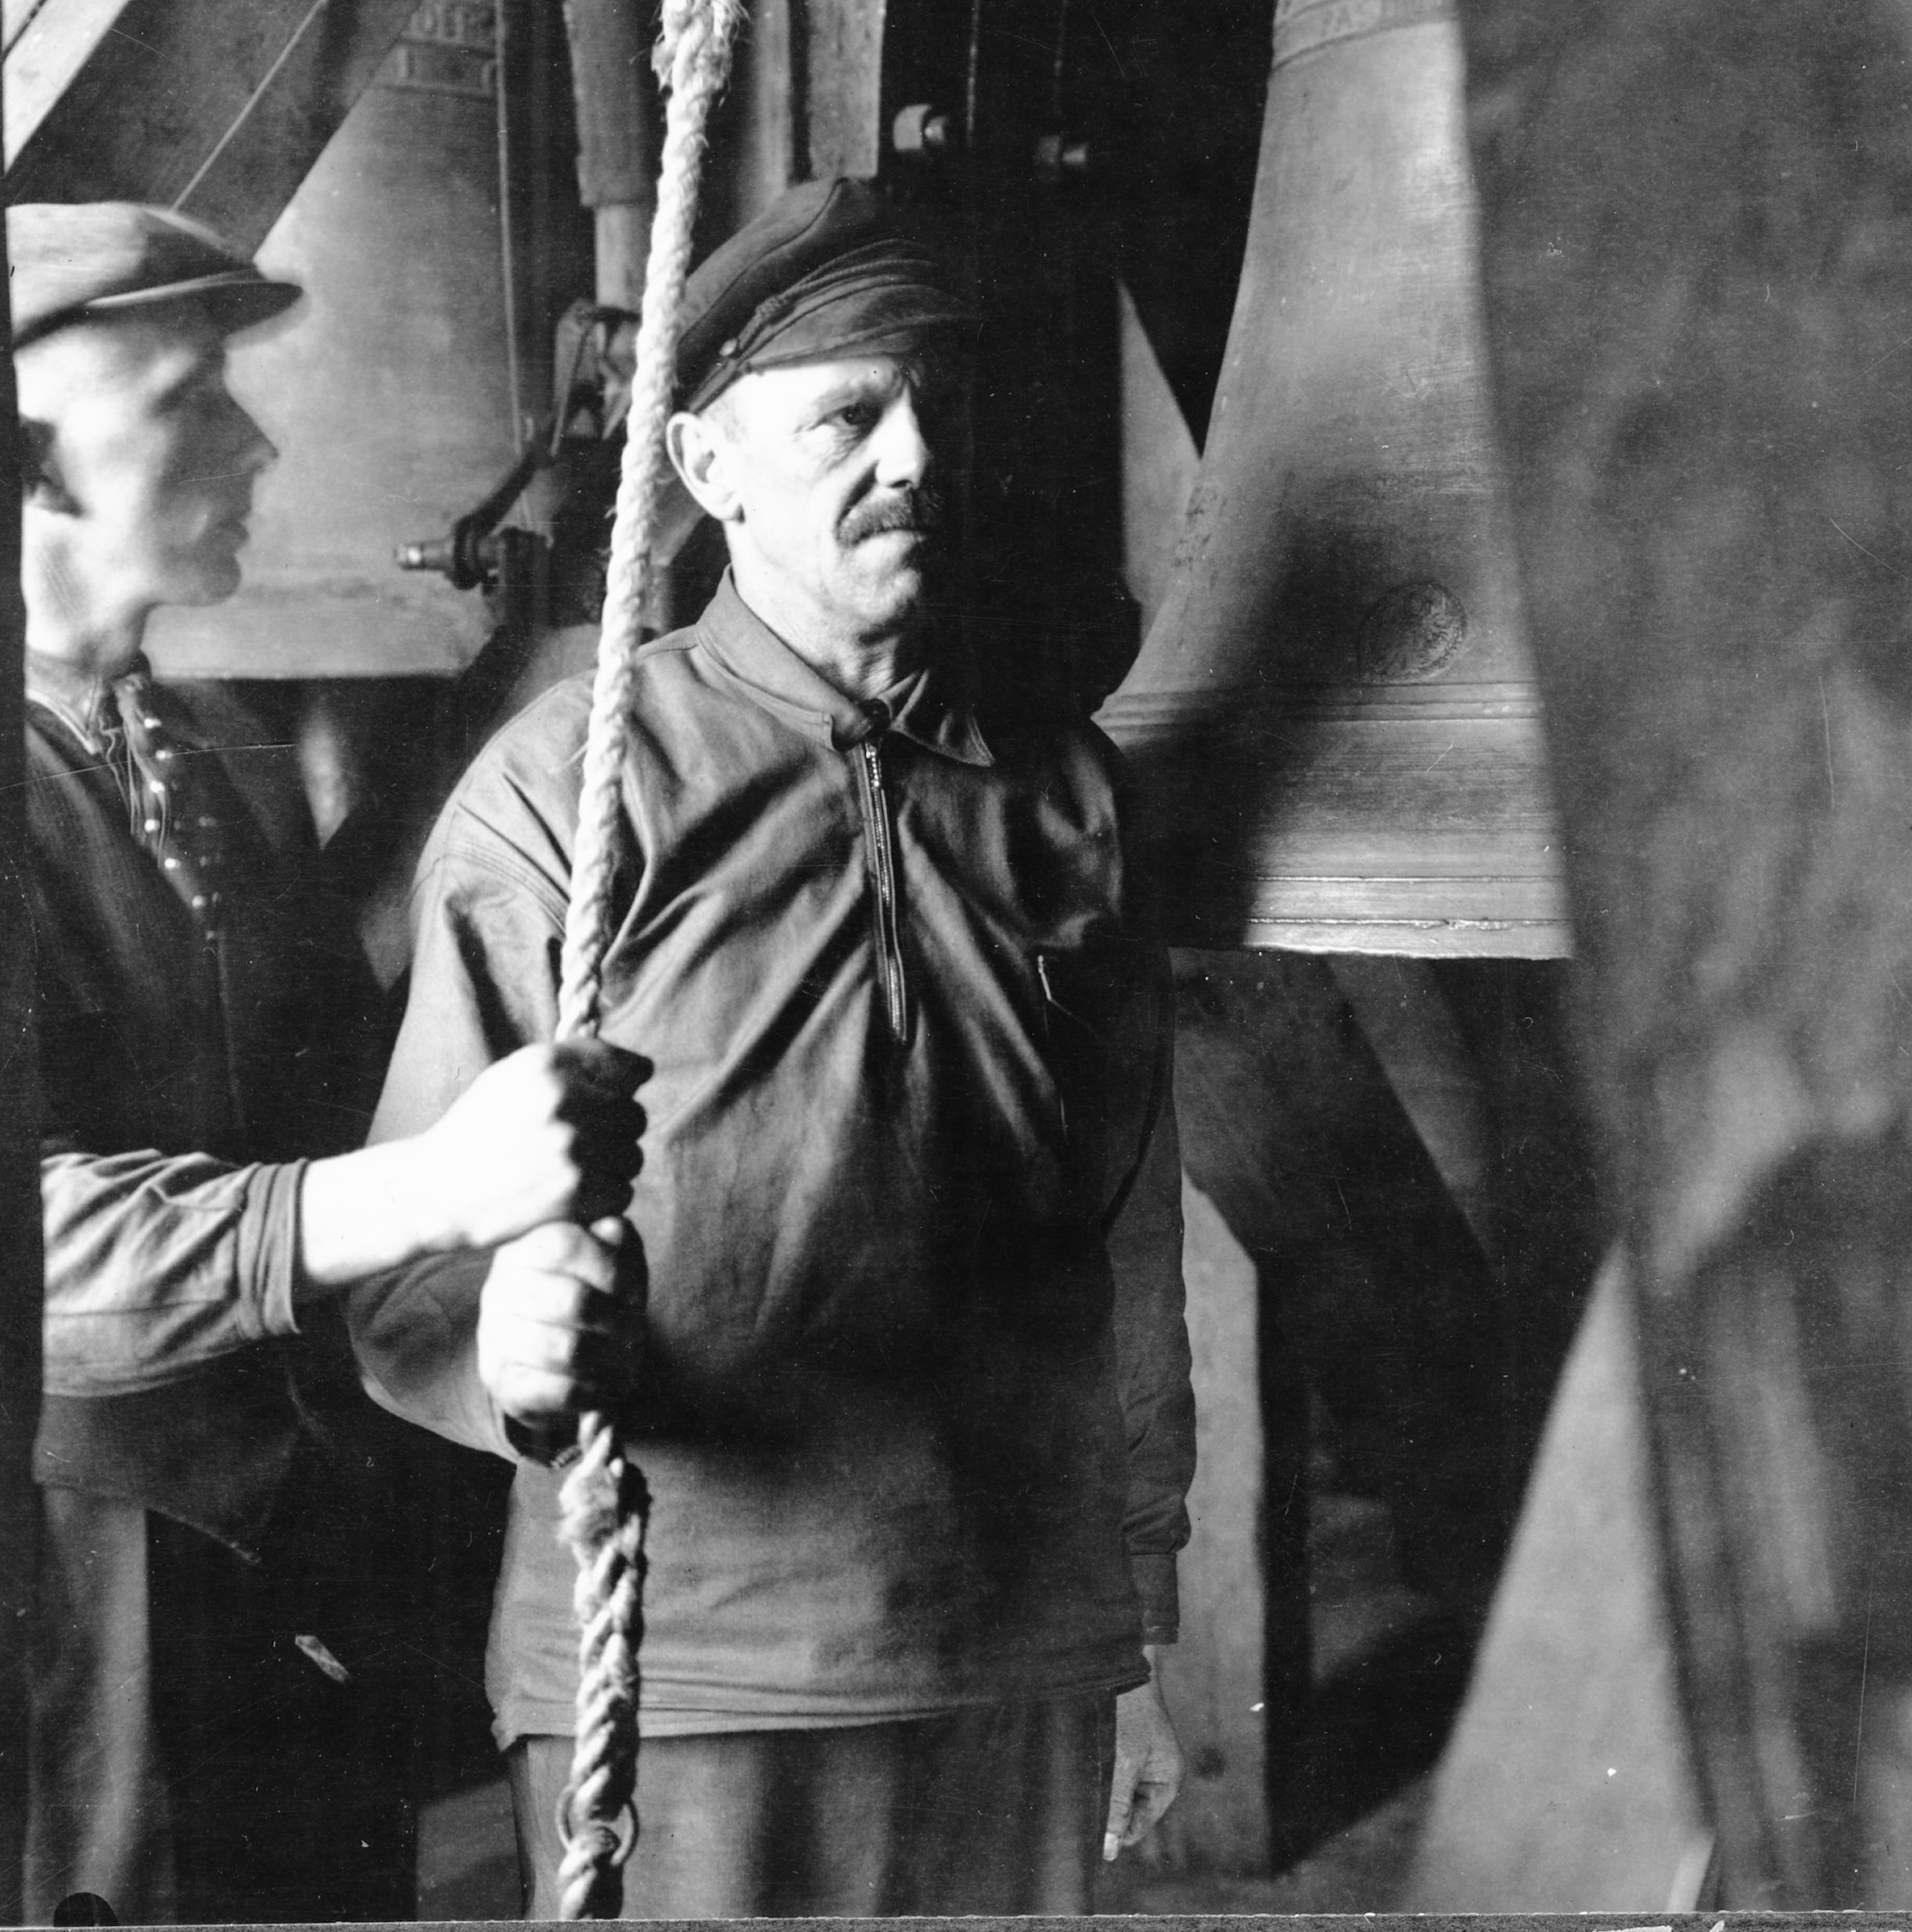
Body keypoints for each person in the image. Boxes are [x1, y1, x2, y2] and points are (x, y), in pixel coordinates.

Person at [350, 176, 1195, 1918]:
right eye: (848, 417)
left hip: (1016, 1647)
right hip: (689, 1665)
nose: (915, 458)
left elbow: (1126, 1238)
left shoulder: (1062, 793)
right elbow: (407, 1267)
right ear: (709, 466)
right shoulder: (570, 795)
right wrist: (510, 1355)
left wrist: (1140, 1623)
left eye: (938, 408)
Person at [10, 202, 648, 1925]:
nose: (257, 442)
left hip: (271, 1573)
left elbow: (313, 1049)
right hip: (71, 1618)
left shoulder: (199, 749)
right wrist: (429, 1189)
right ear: (29, 462)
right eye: (188, 400)